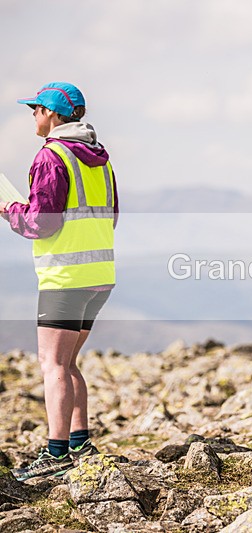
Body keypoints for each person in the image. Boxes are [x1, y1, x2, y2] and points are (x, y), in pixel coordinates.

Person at [0, 82, 118, 480]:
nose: (32, 115)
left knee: (52, 365)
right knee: (67, 363)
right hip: (100, 274)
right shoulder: (101, 159)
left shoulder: (52, 156)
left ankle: (56, 454)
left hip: (65, 275)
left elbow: (42, 223)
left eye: (35, 109)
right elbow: (111, 215)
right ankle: (80, 444)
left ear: (51, 113)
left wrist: (10, 210)